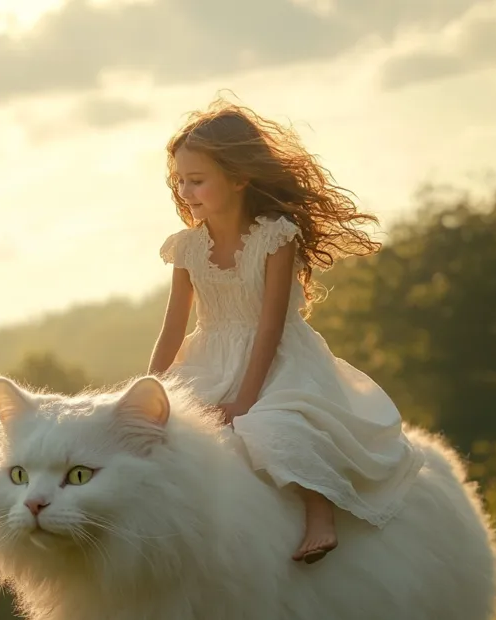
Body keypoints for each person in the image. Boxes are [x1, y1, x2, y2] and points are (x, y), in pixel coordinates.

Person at [148, 100, 424, 564]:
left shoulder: (276, 235)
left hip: (277, 361)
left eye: (197, 180)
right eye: (180, 180)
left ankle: (319, 510)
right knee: (174, 436)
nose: (186, 191)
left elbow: (271, 325)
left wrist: (245, 399)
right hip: (210, 359)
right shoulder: (186, 247)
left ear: (238, 177)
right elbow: (173, 325)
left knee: (273, 428)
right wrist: (147, 388)